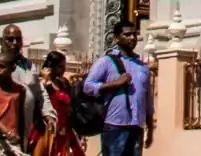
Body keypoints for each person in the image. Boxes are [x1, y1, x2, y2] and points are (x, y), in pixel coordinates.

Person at [81, 22, 152, 156]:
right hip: (114, 125)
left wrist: (150, 128)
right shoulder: (106, 61)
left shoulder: (142, 66)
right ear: (116, 38)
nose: (132, 38)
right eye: (127, 34)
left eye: (134, 34)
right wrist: (115, 83)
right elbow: (88, 86)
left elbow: (148, 100)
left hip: (136, 126)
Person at [0, 52, 40, 156]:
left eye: (2, 67)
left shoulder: (20, 90)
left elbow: (21, 117)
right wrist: (6, 132)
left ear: (13, 68)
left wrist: (22, 139)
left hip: (13, 138)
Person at [29, 54, 82, 156]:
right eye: (60, 66)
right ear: (51, 67)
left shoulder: (63, 83)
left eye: (64, 66)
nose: (64, 69)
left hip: (64, 128)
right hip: (48, 128)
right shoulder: (42, 83)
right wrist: (44, 82)